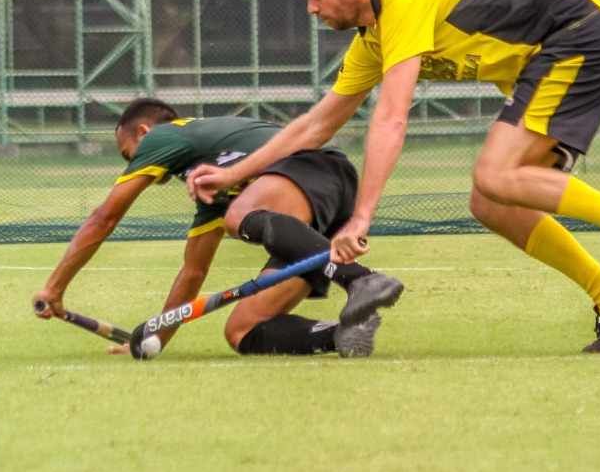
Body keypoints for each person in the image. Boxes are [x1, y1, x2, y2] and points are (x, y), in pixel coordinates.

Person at [188, 0, 600, 355]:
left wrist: (361, 217)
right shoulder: (373, 37)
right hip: (556, 56)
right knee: (491, 202)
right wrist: (234, 174)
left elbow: (390, 119)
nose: (312, 9)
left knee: (494, 176)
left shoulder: (406, 0)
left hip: (578, 38)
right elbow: (316, 126)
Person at [31, 98, 405, 358]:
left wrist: (55, 287)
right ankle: (343, 333)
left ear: (143, 133)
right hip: (316, 206)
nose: (131, 163)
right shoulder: (214, 187)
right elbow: (193, 272)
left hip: (313, 169)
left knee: (237, 218)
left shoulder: (165, 136)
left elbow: (104, 218)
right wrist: (153, 338)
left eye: (128, 153)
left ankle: (359, 279)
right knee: (243, 331)